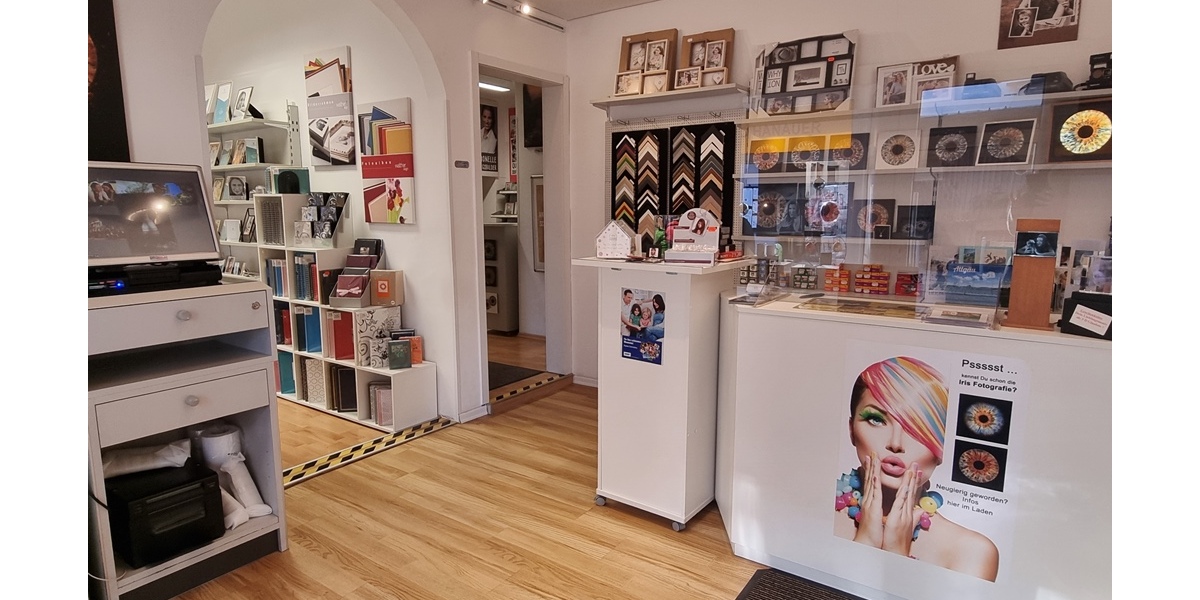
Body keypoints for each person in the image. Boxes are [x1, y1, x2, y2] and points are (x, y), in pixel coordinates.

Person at [834, 357, 999, 581]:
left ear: (942, 448)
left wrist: (896, 555)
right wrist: (865, 542)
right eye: (876, 420)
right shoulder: (814, 512)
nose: (895, 443)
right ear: (851, 430)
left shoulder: (970, 552)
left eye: (917, 428)